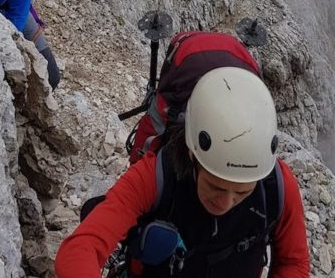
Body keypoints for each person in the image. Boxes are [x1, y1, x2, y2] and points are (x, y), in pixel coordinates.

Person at [55, 67, 310, 277]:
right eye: (216, 186)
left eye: (243, 191)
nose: (226, 202)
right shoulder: (155, 176)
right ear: (192, 154)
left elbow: (293, 263)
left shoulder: (278, 185)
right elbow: (81, 248)